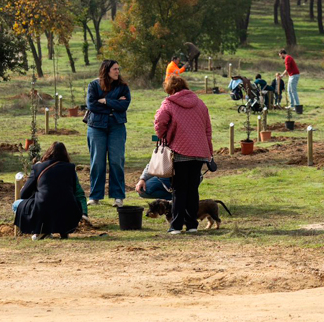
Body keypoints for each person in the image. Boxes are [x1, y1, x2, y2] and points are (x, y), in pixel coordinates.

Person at [154, 74, 214, 234]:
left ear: (172, 90)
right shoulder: (200, 104)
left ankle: (176, 226)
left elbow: (159, 123)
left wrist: (164, 137)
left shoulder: (168, 103)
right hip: (199, 152)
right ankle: (192, 225)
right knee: (193, 190)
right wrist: (209, 152)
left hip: (180, 151)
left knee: (179, 190)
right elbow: (208, 129)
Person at [13, 142, 87, 240]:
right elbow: (74, 191)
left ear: (48, 153)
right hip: (68, 211)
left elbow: (23, 194)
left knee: (16, 204)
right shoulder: (70, 168)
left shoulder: (38, 167)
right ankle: (62, 230)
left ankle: (41, 230)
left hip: (43, 209)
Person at [85, 59, 131, 207]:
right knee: (97, 162)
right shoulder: (93, 85)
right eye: (115, 69)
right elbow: (92, 105)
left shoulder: (123, 87)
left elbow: (124, 105)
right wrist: (113, 104)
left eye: (118, 69)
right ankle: (95, 196)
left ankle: (118, 196)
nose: (118, 71)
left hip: (116, 126)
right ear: (106, 71)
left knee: (117, 161)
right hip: (96, 127)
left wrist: (106, 101)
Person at [134, 159, 204, 200]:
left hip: (186, 177)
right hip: (167, 176)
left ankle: (181, 198)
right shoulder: (165, 144)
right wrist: (142, 179)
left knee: (181, 192)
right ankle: (180, 198)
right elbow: (154, 162)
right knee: (142, 190)